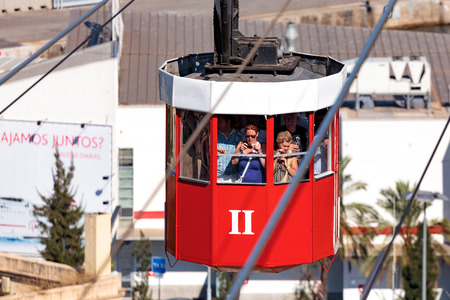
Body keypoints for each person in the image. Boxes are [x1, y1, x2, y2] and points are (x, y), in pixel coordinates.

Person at [314, 109, 329, 175]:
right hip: (314, 172)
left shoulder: (331, 133)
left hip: (327, 172)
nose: (320, 123)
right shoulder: (312, 132)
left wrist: (329, 141)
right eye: (317, 120)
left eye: (322, 120)